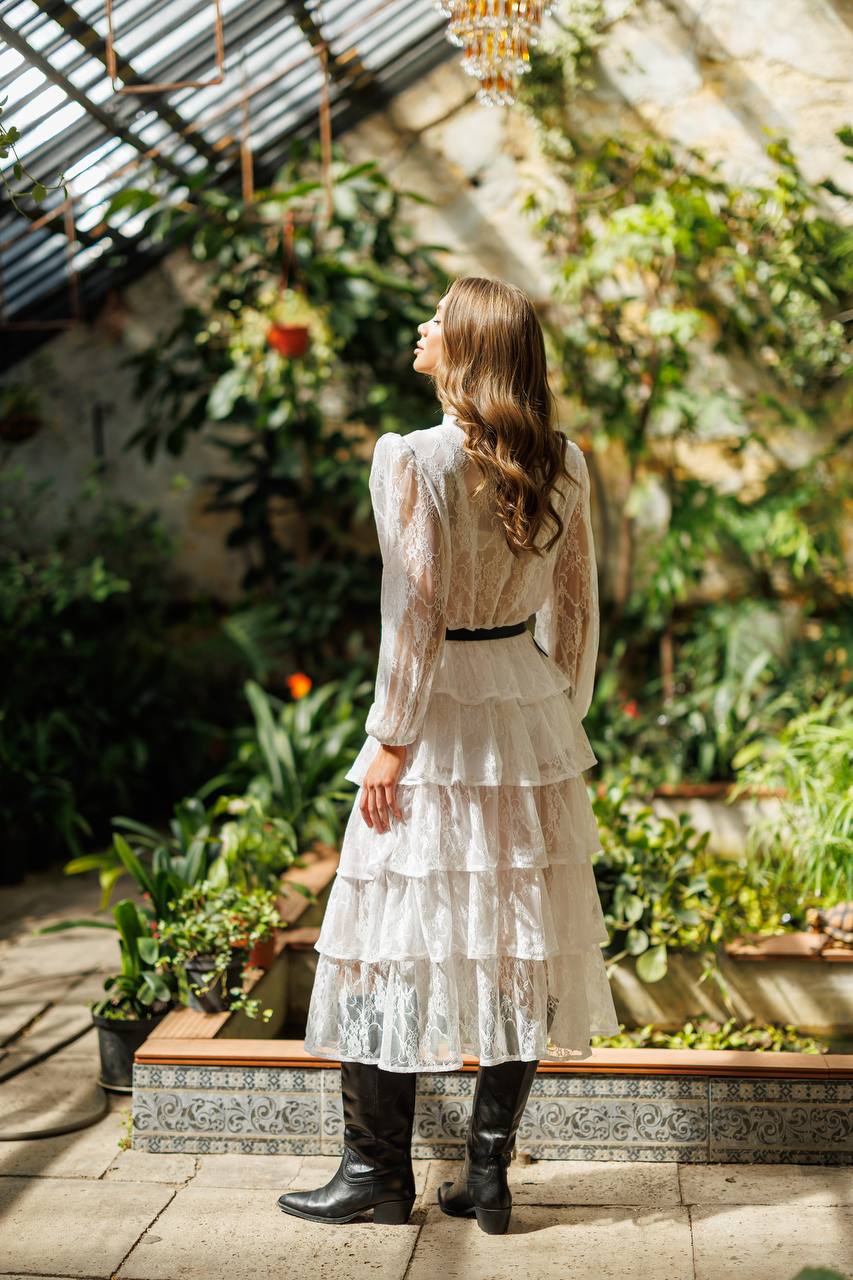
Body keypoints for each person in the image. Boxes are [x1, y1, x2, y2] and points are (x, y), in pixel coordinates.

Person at [277, 276, 619, 1234]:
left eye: (437, 319)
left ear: (467, 349)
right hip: (524, 709)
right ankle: (488, 1179)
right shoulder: (565, 462)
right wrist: (556, 706)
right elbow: (580, 610)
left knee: (386, 943)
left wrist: (390, 737)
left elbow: (416, 611)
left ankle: (373, 1176)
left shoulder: (413, 460)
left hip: (433, 724)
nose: (421, 326)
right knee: (515, 942)